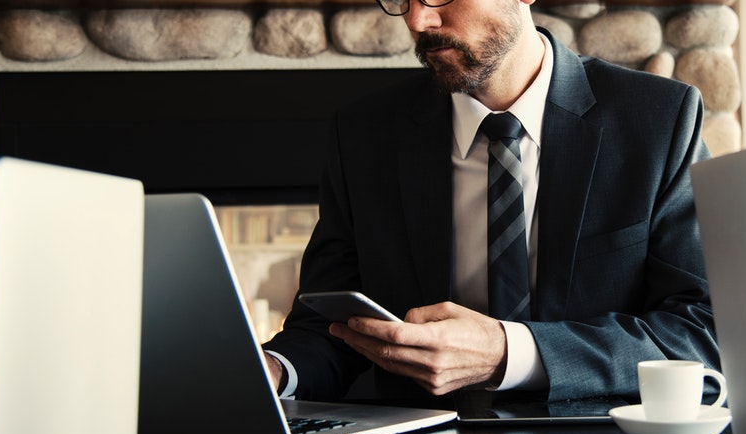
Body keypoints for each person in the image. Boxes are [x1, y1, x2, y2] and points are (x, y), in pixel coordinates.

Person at [261, 0, 718, 405]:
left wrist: (508, 353)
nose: (418, 19)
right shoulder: (362, 135)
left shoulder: (659, 121)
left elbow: (701, 332)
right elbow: (330, 326)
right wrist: (276, 371)